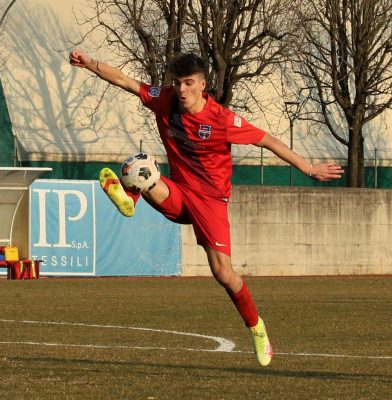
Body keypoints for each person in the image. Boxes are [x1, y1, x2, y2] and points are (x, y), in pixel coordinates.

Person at [69, 50, 344, 366]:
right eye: (177, 83)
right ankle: (129, 199)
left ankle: (256, 328)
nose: (181, 90)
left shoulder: (222, 119)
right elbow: (127, 82)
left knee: (223, 273)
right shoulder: (166, 100)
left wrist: (308, 169)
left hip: (211, 203)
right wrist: (91, 64)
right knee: (139, 167)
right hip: (178, 193)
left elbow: (267, 140)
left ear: (202, 85)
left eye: (188, 83)